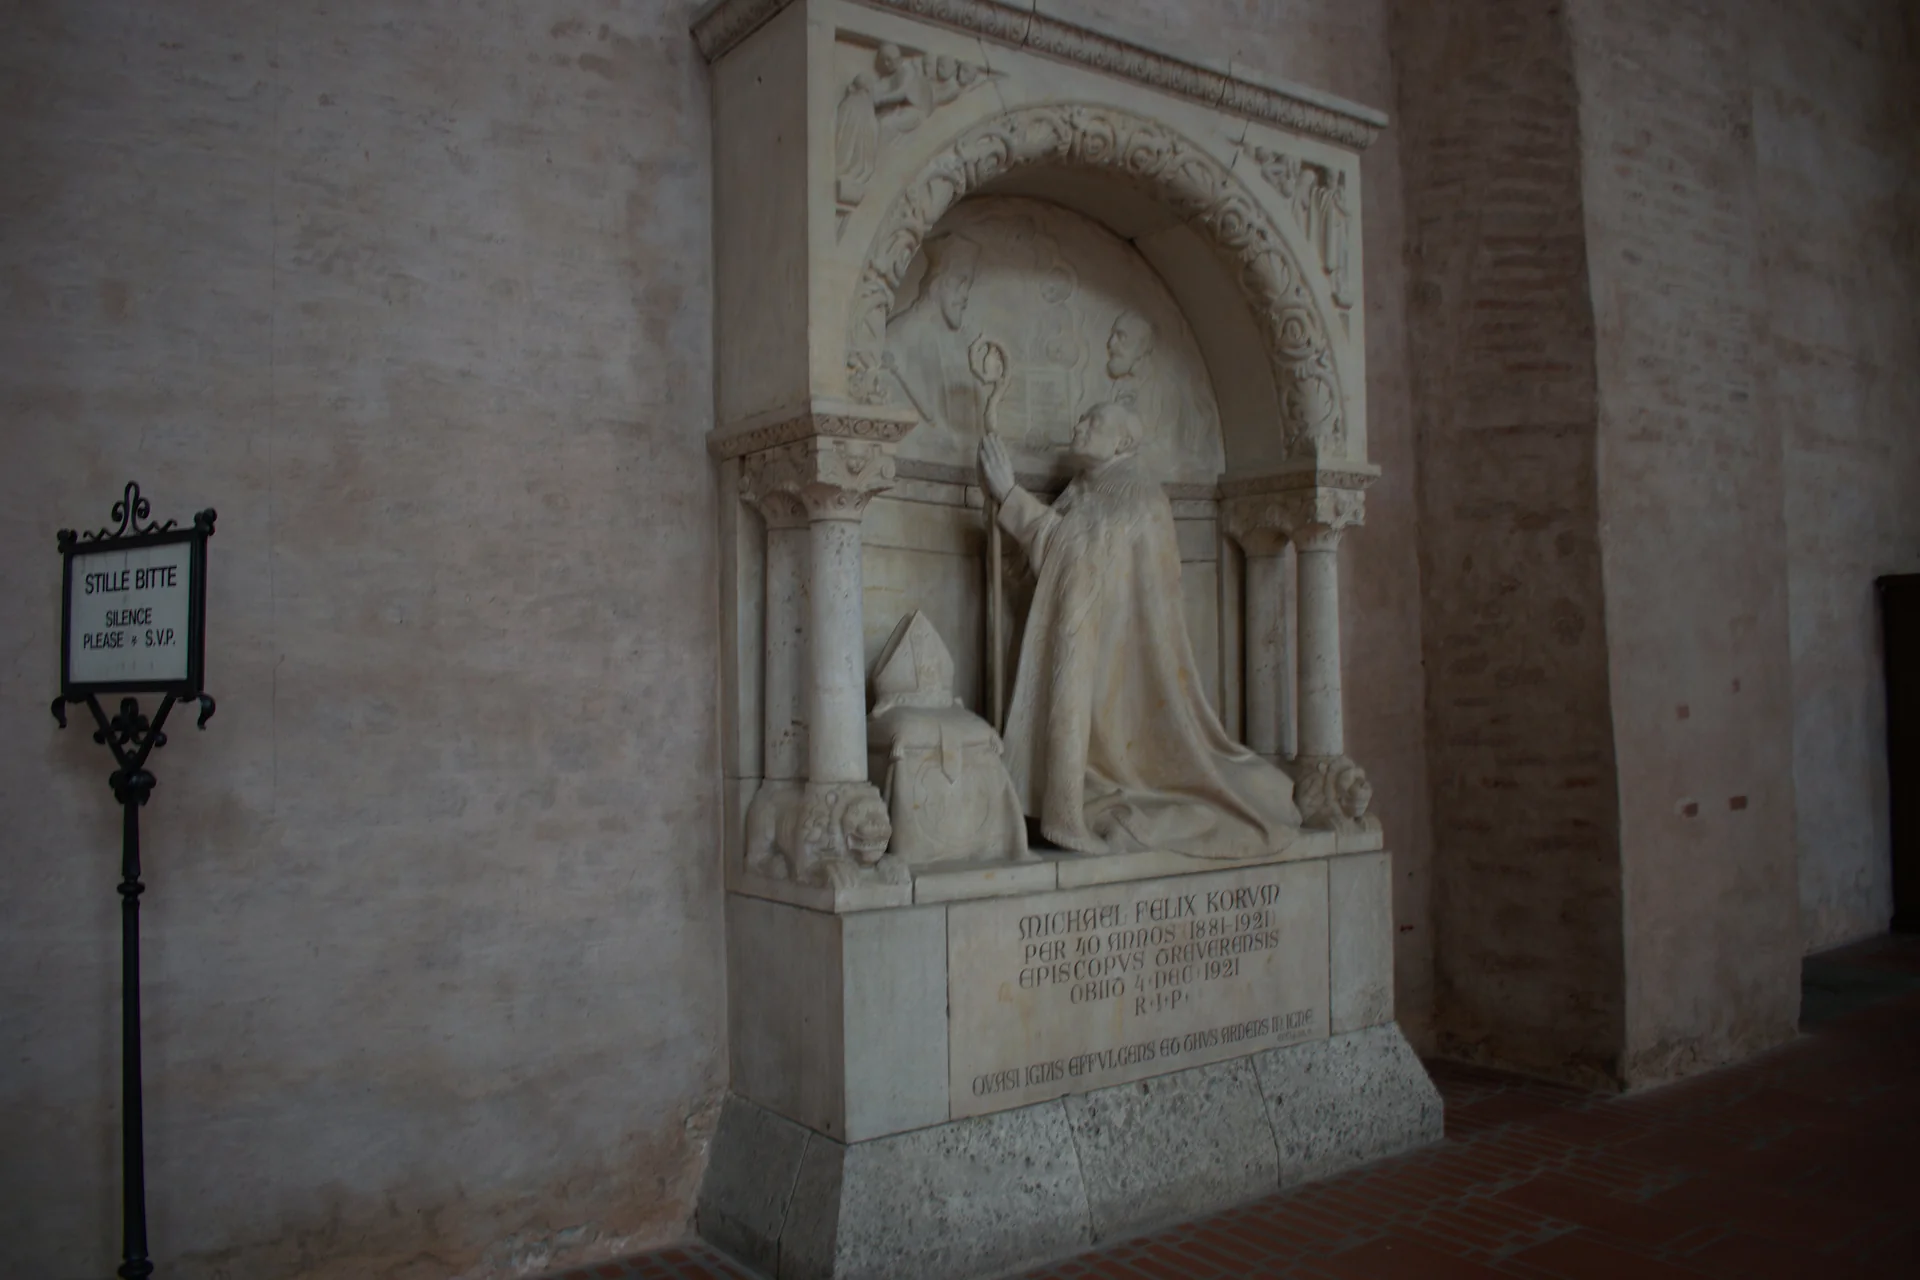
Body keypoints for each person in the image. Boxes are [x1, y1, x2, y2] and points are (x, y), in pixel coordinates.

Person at [978, 404, 1304, 858]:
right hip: (1093, 657)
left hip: (1118, 676)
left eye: (1093, 422)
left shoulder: (1139, 496)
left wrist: (1011, 496)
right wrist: (1002, 510)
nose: (1079, 426)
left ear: (1124, 442)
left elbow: (1080, 555)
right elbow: (1048, 564)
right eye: (1082, 419)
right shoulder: (1083, 489)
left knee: (1171, 793)